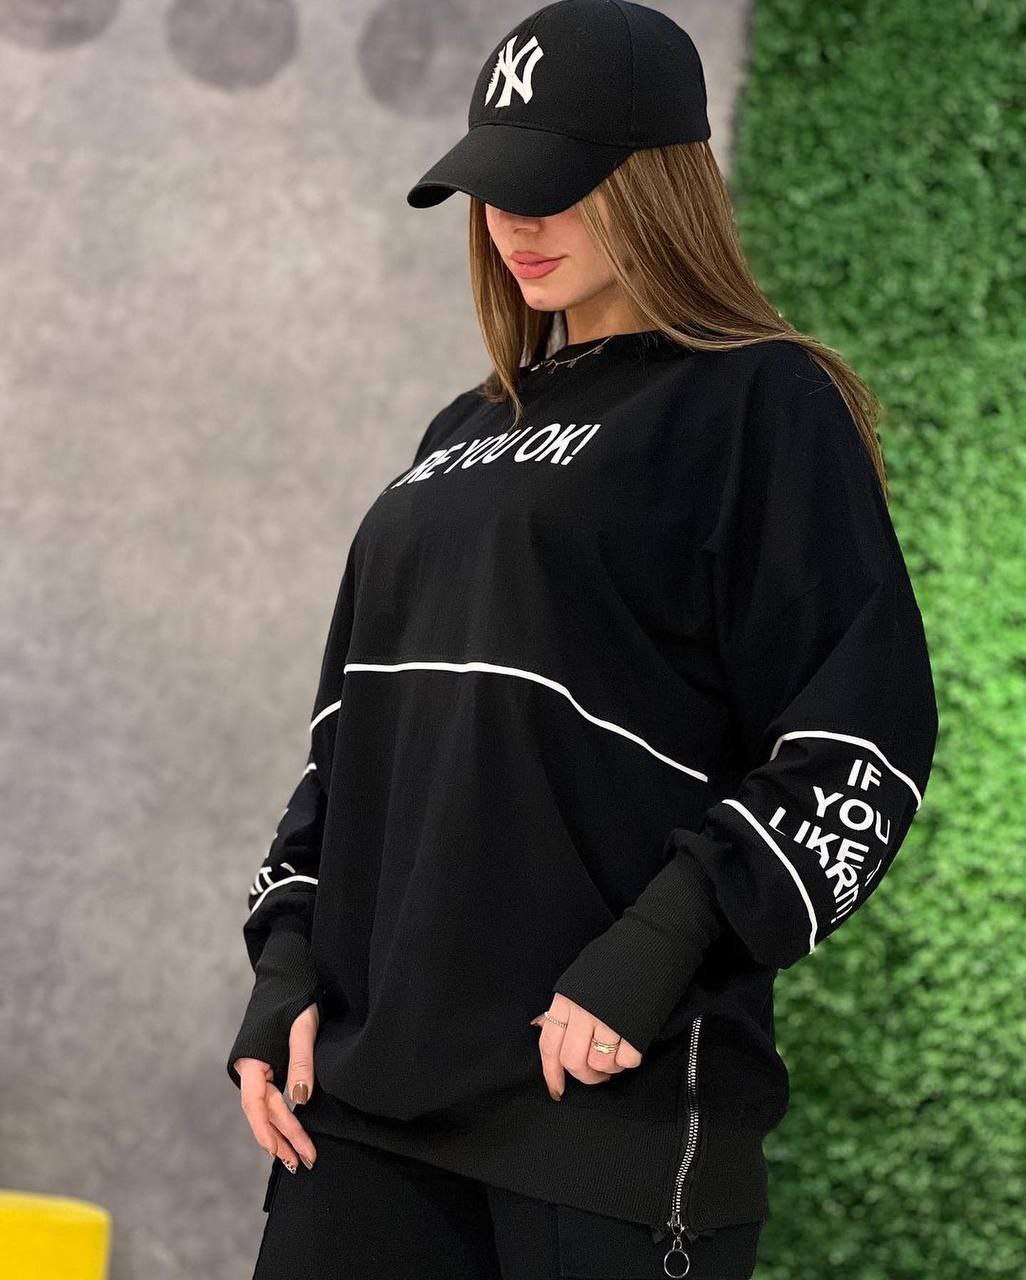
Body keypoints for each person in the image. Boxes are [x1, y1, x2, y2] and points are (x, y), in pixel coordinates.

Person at [225, 2, 939, 1277]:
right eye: (494, 184)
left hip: (596, 1113)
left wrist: (653, 952)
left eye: (555, 183)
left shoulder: (761, 400)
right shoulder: (458, 432)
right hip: (365, 1112)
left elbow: (859, 742)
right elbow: (348, 747)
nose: (514, 219)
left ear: (659, 182)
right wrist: (285, 969)